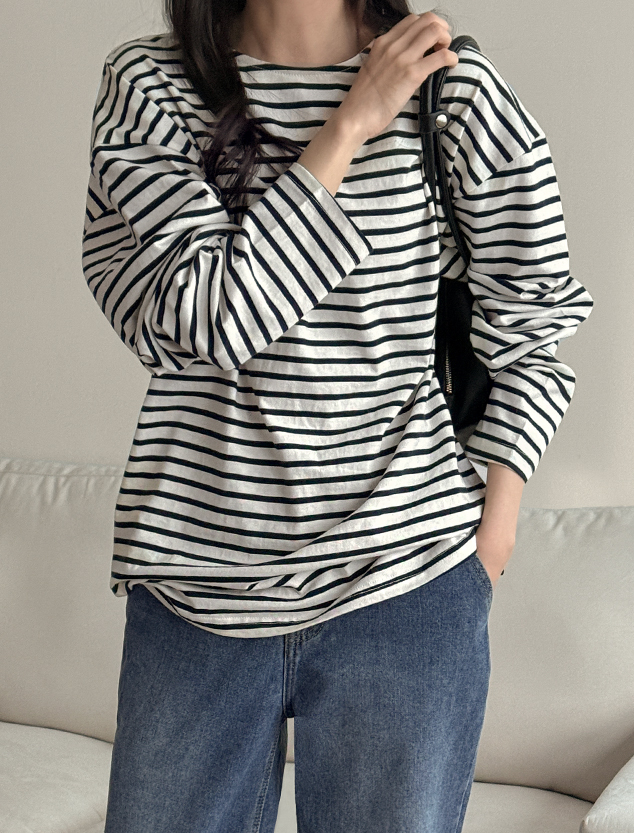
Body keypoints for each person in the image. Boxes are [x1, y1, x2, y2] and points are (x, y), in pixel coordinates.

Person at [81, 1, 594, 830]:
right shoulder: (150, 87)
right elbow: (215, 321)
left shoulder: (452, 93)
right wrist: (349, 125)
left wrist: (489, 542)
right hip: (195, 593)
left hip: (408, 585)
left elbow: (534, 324)